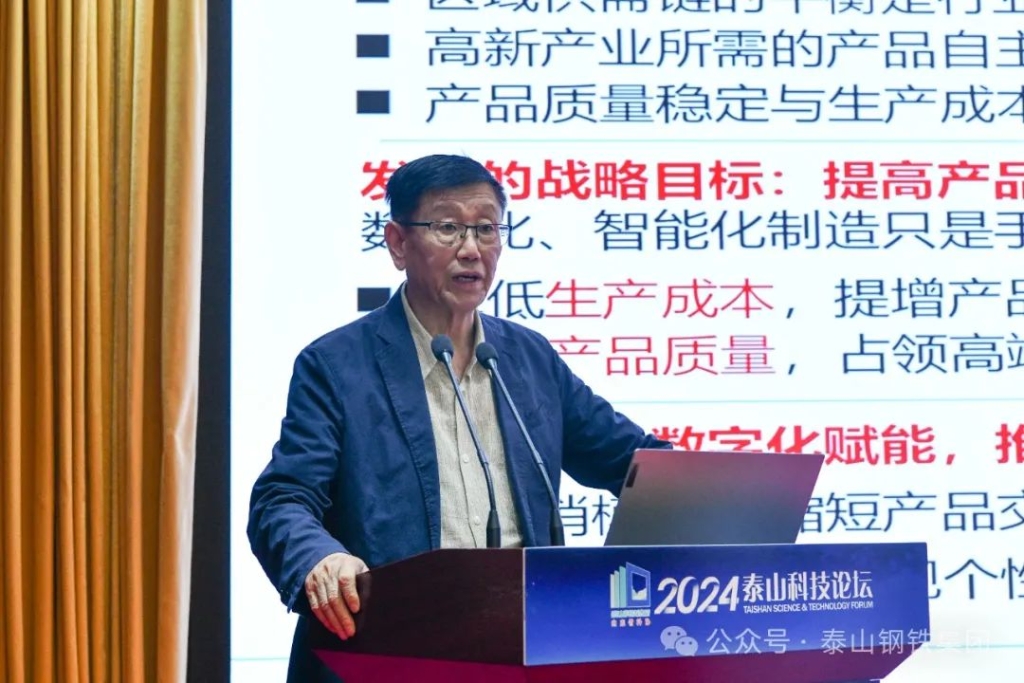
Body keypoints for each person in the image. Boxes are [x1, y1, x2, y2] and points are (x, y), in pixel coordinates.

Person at [247, 153, 673, 682]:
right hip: (389, 651)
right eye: (448, 227)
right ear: (398, 243)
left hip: (523, 652)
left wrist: (724, 490)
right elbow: (283, 498)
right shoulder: (336, 365)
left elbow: (631, 462)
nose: (472, 249)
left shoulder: (527, 359)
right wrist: (321, 560)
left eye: (487, 229)